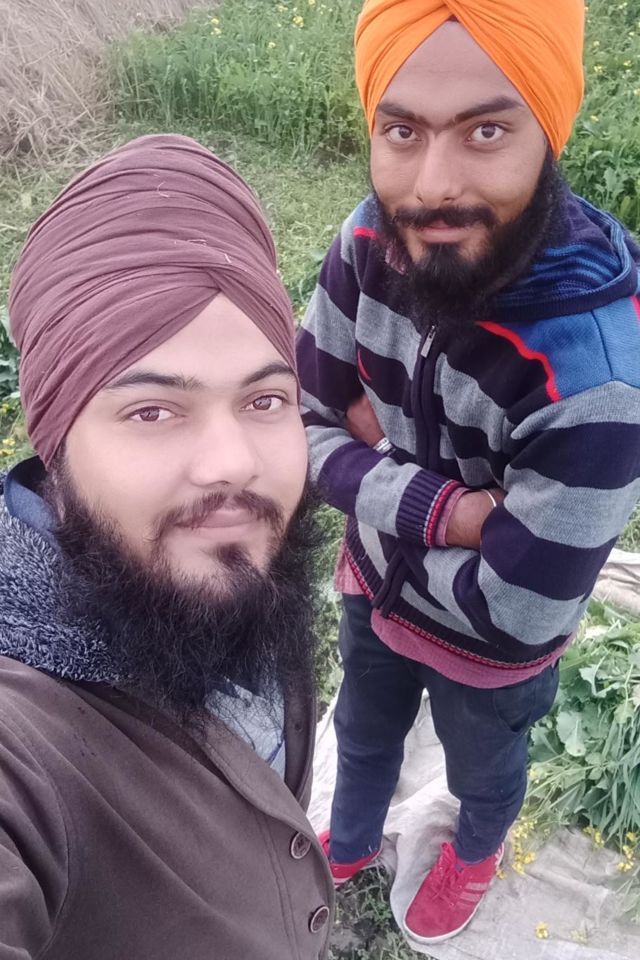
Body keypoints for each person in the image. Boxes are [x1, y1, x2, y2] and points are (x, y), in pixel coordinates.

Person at [297, 0, 640, 945]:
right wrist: (456, 515)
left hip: (490, 661)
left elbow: (515, 611)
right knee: (361, 732)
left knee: (484, 772)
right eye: (402, 131)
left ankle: (475, 852)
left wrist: (368, 475)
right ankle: (349, 841)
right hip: (372, 589)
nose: (433, 186)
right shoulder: (368, 243)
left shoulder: (595, 378)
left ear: (549, 128)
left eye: (486, 130)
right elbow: (303, 419)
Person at [0, 134, 334, 959]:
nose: (233, 463)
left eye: (264, 400)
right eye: (152, 411)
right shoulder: (21, 745)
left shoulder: (223, 561)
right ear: (54, 445)